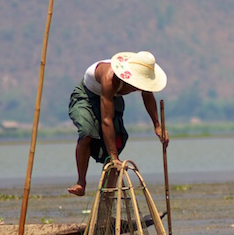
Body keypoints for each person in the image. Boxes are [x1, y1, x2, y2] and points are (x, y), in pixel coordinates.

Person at [67, 51, 169, 196]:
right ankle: (81, 183)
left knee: (117, 141)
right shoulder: (110, 78)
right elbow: (106, 120)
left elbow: (147, 96)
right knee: (87, 133)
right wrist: (114, 157)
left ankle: (107, 196)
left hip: (112, 98)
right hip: (87, 96)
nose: (139, 87)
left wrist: (157, 126)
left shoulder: (142, 81)